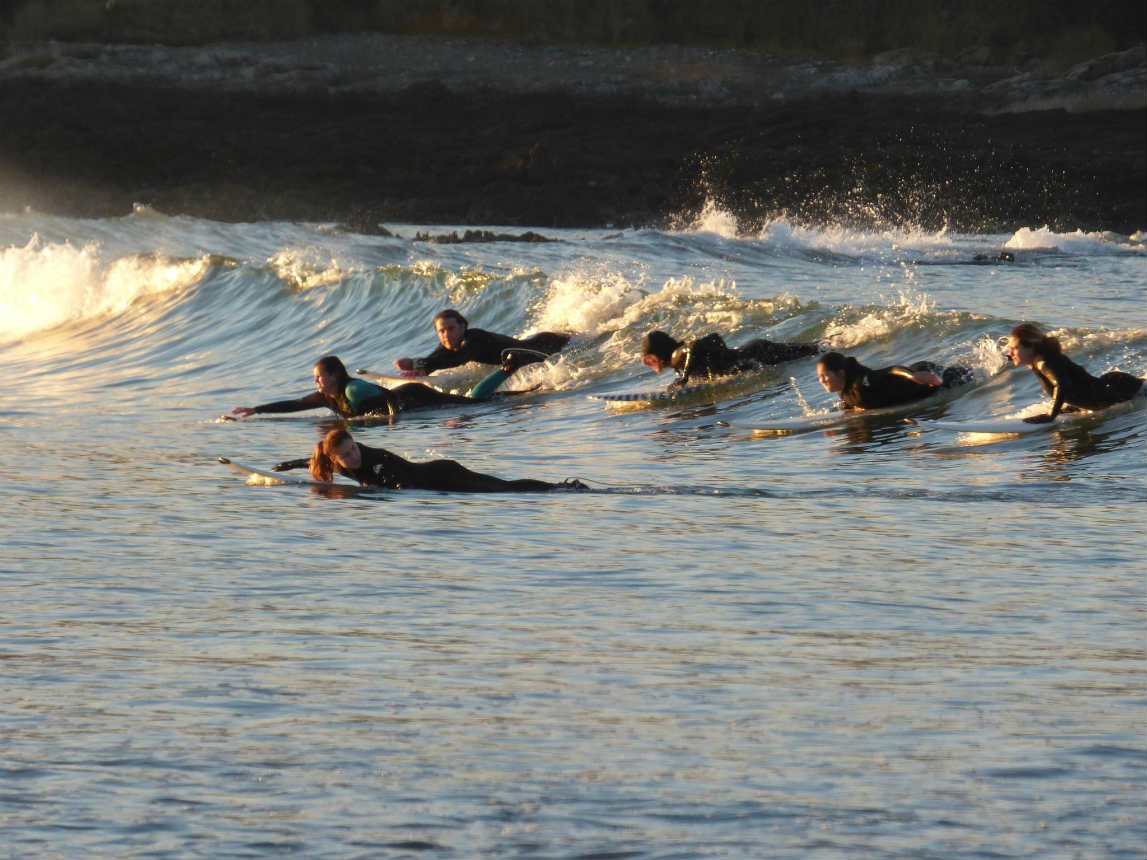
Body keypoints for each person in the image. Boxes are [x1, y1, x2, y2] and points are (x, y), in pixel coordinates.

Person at [305, 428, 586, 491]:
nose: (354, 457)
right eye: (346, 455)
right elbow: (315, 458)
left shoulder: (375, 460)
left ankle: (561, 487)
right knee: (503, 487)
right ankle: (560, 486)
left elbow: (398, 483)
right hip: (439, 480)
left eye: (354, 449)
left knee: (505, 488)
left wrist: (394, 489)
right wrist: (293, 465)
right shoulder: (336, 460)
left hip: (443, 476)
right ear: (334, 458)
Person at [230, 355, 477, 419]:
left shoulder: (353, 390)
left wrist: (392, 421)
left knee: (474, 405)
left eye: (319, 378)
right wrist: (257, 409)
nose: (316, 383)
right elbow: (295, 405)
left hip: (416, 396)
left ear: (335, 375)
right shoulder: (327, 396)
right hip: (408, 401)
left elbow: (387, 398)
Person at [1005, 322, 1144, 423]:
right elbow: (1075, 386)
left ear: (1030, 347)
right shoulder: (1041, 361)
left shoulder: (1043, 362)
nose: (1010, 353)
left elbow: (1062, 384)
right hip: (1108, 387)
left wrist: (1050, 415)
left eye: (1014, 348)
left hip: (1117, 387)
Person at [393, 308, 572, 375]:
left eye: (451, 329)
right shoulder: (449, 344)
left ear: (463, 327)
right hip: (532, 345)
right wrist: (424, 370)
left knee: (579, 340)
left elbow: (458, 359)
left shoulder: (473, 339)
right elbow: (439, 357)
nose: (446, 334)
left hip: (548, 345)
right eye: (441, 331)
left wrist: (416, 363)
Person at [640, 330, 820, 388]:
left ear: (658, 353)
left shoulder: (676, 355)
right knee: (812, 349)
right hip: (754, 352)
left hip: (757, 353)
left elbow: (694, 347)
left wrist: (685, 378)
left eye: (649, 360)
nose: (651, 365)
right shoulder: (677, 359)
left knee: (816, 349)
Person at [816, 351, 974, 410]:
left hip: (926, 377)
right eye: (819, 377)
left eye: (825, 375)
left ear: (840, 373)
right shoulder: (844, 391)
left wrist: (912, 375)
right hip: (915, 387)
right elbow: (851, 402)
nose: (822, 380)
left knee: (972, 374)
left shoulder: (862, 383)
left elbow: (891, 370)